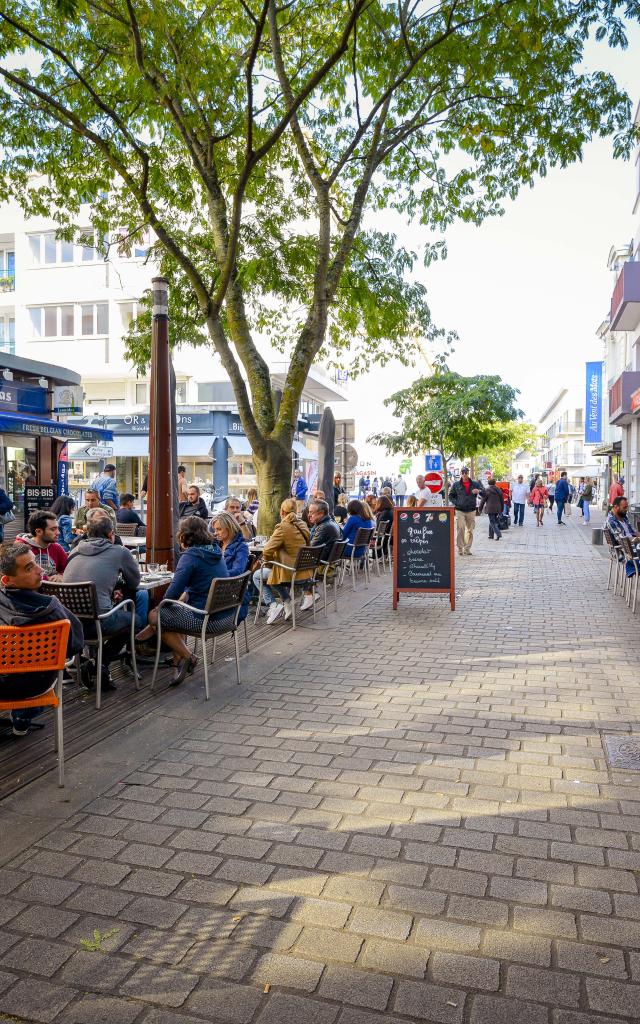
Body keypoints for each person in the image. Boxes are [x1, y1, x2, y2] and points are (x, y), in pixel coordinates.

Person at [0, 543, 84, 736]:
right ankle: (23, 717)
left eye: (36, 563)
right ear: (8, 580)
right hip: (36, 685)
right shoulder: (51, 608)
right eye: (29, 568)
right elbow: (75, 644)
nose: (41, 570)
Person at [137, 517, 229, 685]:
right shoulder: (216, 551)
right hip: (225, 617)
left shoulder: (191, 556)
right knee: (170, 612)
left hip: (205, 620)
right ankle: (177, 661)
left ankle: (189, 657)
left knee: (156, 617)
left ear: (184, 536)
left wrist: (159, 608)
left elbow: (172, 592)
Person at [63, 517, 147, 691]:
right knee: (135, 620)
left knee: (113, 613)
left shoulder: (75, 550)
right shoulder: (119, 551)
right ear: (111, 535)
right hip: (99, 622)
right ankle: (99, 664)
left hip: (71, 625)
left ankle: (97, 665)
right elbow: (134, 582)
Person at [253, 498, 311, 623]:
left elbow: (267, 550)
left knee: (257, 576)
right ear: (295, 510)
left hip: (290, 572)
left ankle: (273, 606)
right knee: (272, 574)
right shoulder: (303, 525)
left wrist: (268, 563)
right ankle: (286, 601)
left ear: (281, 512)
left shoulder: (283, 527)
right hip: (304, 571)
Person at [300, 499, 341, 611]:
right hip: (328, 563)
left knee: (295, 565)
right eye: (309, 512)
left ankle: (308, 595)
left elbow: (310, 548)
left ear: (321, 513)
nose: (309, 515)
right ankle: (313, 593)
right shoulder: (329, 523)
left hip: (321, 566)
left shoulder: (324, 527)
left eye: (312, 512)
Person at [17, 510, 68, 580]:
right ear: (39, 531)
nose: (58, 532)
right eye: (53, 529)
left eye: (57, 528)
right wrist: (47, 578)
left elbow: (67, 570)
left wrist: (61, 575)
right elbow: (20, 575)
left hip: (52, 589)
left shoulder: (57, 547)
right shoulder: (21, 548)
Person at [448, 468, 484, 555]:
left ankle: (467, 549)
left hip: (471, 510)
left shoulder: (475, 484)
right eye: (463, 473)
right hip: (460, 510)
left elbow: (484, 492)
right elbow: (451, 496)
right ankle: (460, 548)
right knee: (460, 528)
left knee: (470, 530)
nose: (464, 474)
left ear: (468, 473)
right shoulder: (456, 484)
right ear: (461, 474)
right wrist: (457, 503)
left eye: (466, 473)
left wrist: (478, 491)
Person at [607, 496, 640, 579]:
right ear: (615, 507)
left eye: (627, 507)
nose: (626, 509)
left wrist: (637, 535)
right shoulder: (611, 521)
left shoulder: (624, 517)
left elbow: (633, 532)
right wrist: (635, 540)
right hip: (624, 551)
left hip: (632, 545)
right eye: (624, 507)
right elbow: (621, 540)